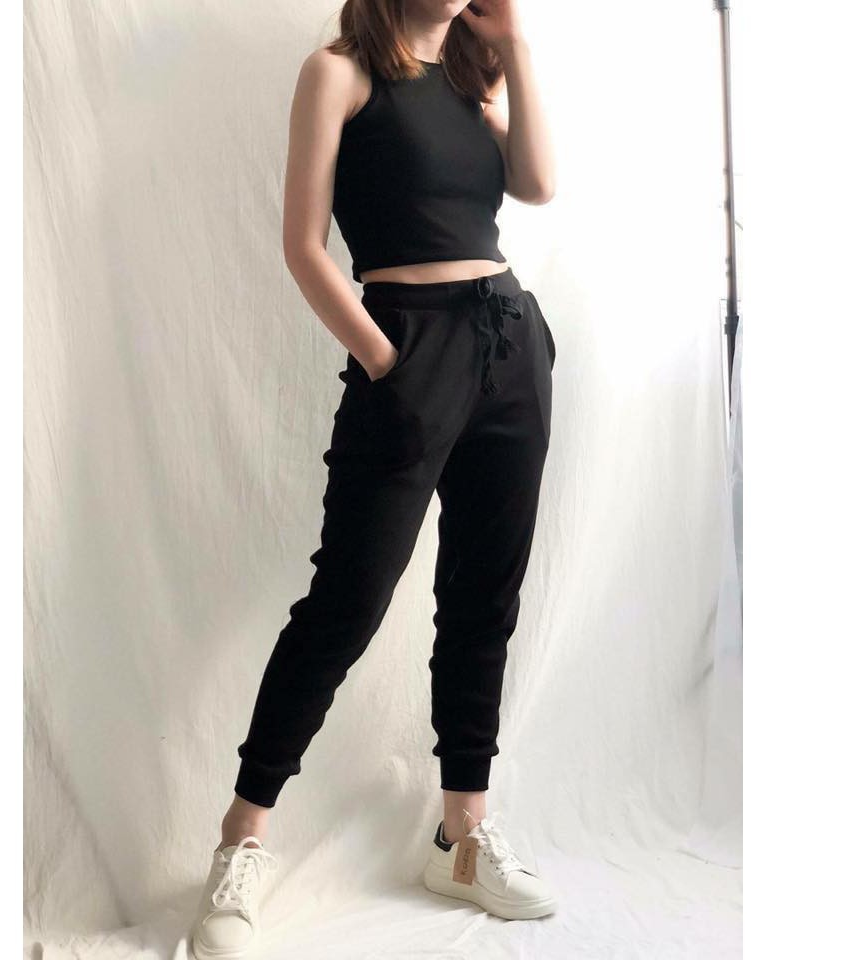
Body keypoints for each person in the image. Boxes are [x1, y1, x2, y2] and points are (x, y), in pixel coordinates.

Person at [189, 1, 559, 956]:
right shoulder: (341, 73)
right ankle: (241, 838)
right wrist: (387, 358)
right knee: (345, 603)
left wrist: (514, 45)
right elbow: (303, 245)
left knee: (484, 597)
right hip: (409, 348)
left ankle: (462, 836)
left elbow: (539, 185)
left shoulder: (472, 84)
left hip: (510, 345)